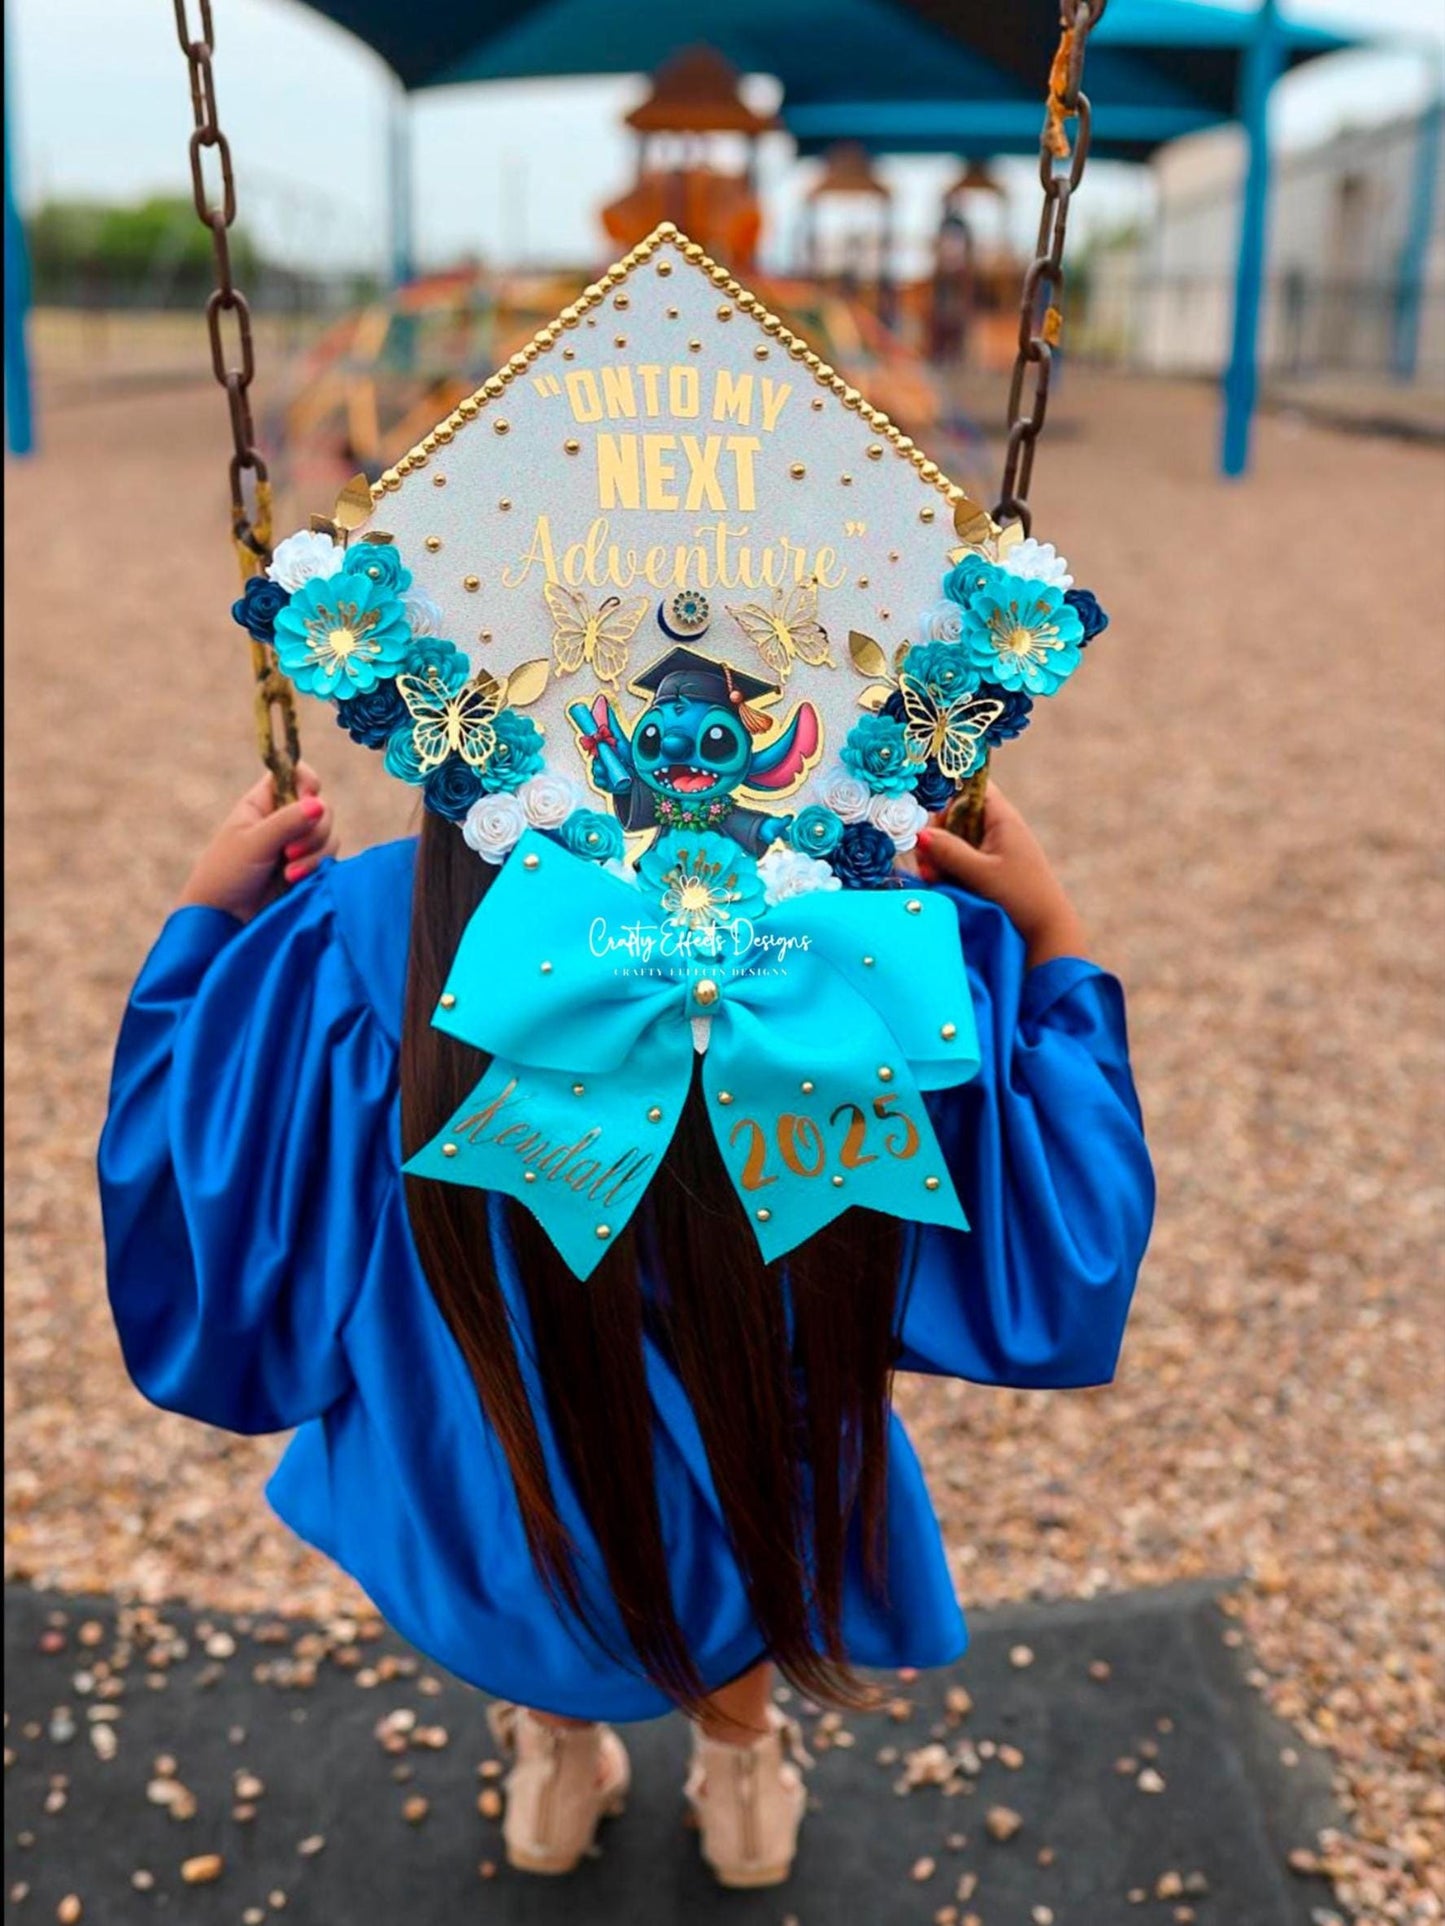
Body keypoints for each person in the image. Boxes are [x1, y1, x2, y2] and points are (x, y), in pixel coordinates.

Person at [98, 763, 1153, 1888]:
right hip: (759, 1444)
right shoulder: (860, 948)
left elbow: (189, 1180)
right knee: (747, 1521)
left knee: (517, 1511)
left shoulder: (365, 932)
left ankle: (553, 1766)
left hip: (473, 1450)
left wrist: (213, 921)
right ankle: (743, 1780)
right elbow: (1068, 1246)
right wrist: (1047, 932)